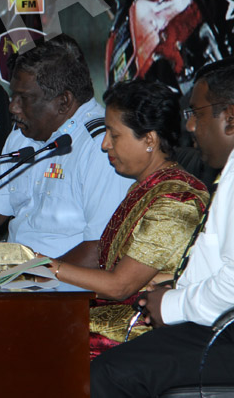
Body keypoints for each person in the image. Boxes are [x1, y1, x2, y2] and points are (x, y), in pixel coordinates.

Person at [91, 58, 234, 397]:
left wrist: (170, 305)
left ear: (230, 119)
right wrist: (172, 289)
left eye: (196, 114)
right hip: (212, 319)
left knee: (108, 374)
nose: (190, 128)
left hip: (224, 329)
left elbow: (230, 290)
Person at [42, 80, 208, 359]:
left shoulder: (176, 199)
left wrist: (46, 266)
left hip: (131, 340)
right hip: (103, 324)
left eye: (114, 135)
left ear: (149, 140)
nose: (105, 145)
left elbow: (120, 286)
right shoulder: (147, 187)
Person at [0, 35, 132, 262]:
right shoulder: (22, 137)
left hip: (64, 287)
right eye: (12, 95)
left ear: (63, 102)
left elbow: (101, 248)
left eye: (23, 98)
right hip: (17, 278)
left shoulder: (102, 146)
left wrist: (35, 279)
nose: (12, 107)